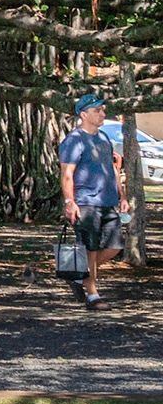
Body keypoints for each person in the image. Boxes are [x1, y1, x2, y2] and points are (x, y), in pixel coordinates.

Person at [61, 94, 128, 311]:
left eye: (102, 109)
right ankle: (92, 295)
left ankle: (79, 274)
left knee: (114, 246)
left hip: (107, 201)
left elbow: (113, 170)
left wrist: (122, 195)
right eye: (97, 110)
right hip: (86, 202)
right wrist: (70, 201)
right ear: (84, 114)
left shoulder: (104, 138)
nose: (102, 114)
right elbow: (67, 174)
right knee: (90, 248)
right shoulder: (74, 140)